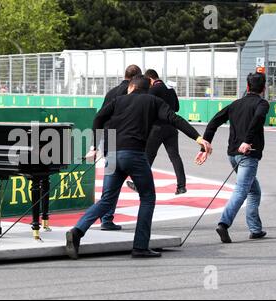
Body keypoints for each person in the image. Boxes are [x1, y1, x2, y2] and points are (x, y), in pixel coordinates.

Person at [65, 75, 212, 259]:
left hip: (112, 154)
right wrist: (198, 138)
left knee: (107, 200)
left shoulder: (118, 100)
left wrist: (95, 146)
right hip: (134, 154)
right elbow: (175, 119)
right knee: (148, 197)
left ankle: (77, 231)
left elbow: (98, 118)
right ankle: (140, 246)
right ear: (146, 87)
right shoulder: (153, 101)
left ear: (132, 87)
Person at [195, 72, 269, 243]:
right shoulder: (262, 104)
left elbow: (213, 122)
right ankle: (224, 224)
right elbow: (258, 118)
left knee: (254, 191)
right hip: (247, 155)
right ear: (264, 89)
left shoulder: (235, 104)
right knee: (242, 190)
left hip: (233, 155)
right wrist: (248, 141)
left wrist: (204, 146)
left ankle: (256, 229)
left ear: (247, 87)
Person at [127, 69, 187, 195]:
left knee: (148, 156)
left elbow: (147, 106)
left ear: (150, 79)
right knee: (175, 156)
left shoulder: (153, 90)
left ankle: (139, 185)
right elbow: (176, 107)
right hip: (171, 127)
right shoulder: (170, 88)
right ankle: (181, 186)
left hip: (157, 128)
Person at [98, 64, 142, 231]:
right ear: (137, 78)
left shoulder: (111, 92)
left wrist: (96, 144)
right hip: (125, 140)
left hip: (108, 139)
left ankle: (106, 218)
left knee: (109, 181)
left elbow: (100, 117)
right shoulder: (133, 93)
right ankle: (107, 218)